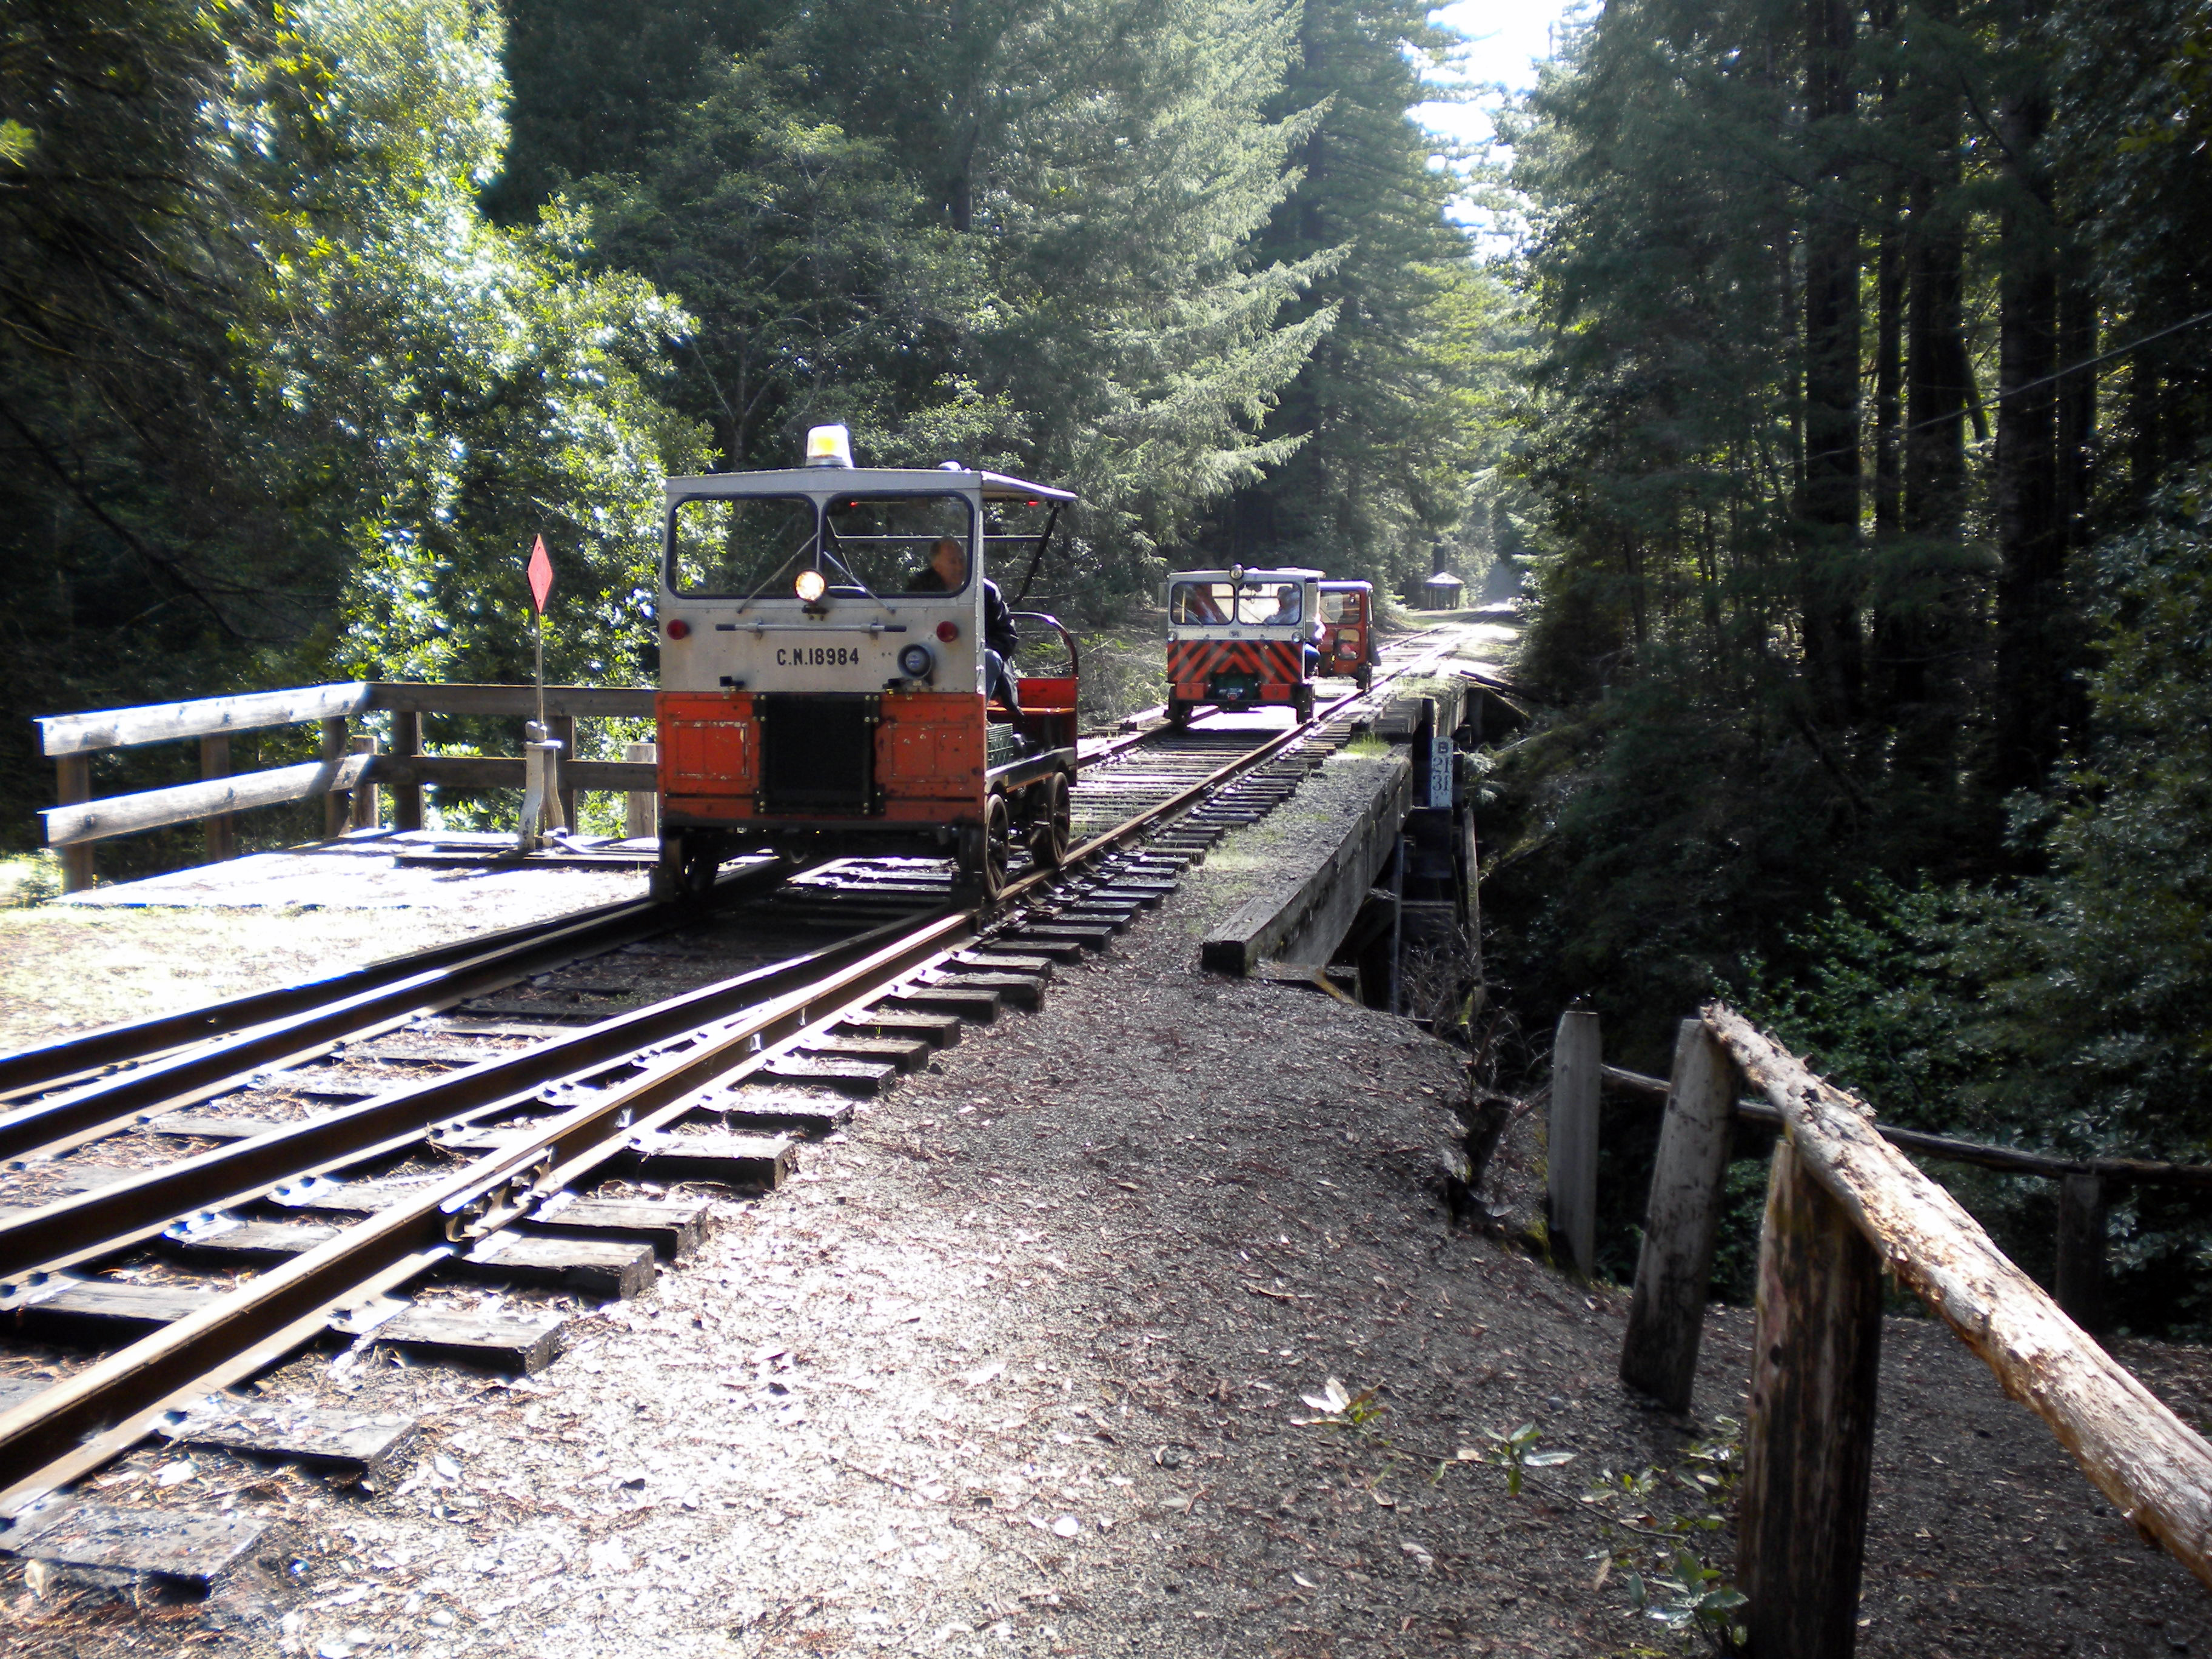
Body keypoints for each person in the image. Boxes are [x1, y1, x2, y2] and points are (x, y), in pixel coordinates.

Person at [913, 535, 1021, 708]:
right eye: (952, 562)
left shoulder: (987, 592)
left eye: (962, 560)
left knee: (990, 658)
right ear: (937, 566)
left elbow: (1007, 636)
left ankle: (973, 714)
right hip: (930, 657)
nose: (960, 566)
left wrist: (974, 650)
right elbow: (909, 627)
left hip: (976, 661)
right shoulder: (917, 589)